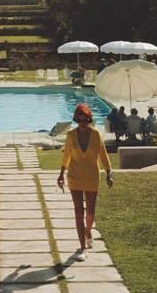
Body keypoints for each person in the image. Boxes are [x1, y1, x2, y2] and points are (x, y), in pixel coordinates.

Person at [57, 103, 113, 261]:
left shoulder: (96, 135)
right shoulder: (70, 135)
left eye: (85, 120)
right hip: (74, 177)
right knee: (78, 212)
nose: (82, 123)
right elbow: (66, 156)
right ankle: (82, 247)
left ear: (89, 119)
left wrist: (109, 173)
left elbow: (103, 155)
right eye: (79, 120)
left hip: (91, 178)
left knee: (90, 213)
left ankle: (88, 231)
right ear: (76, 119)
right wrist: (61, 174)